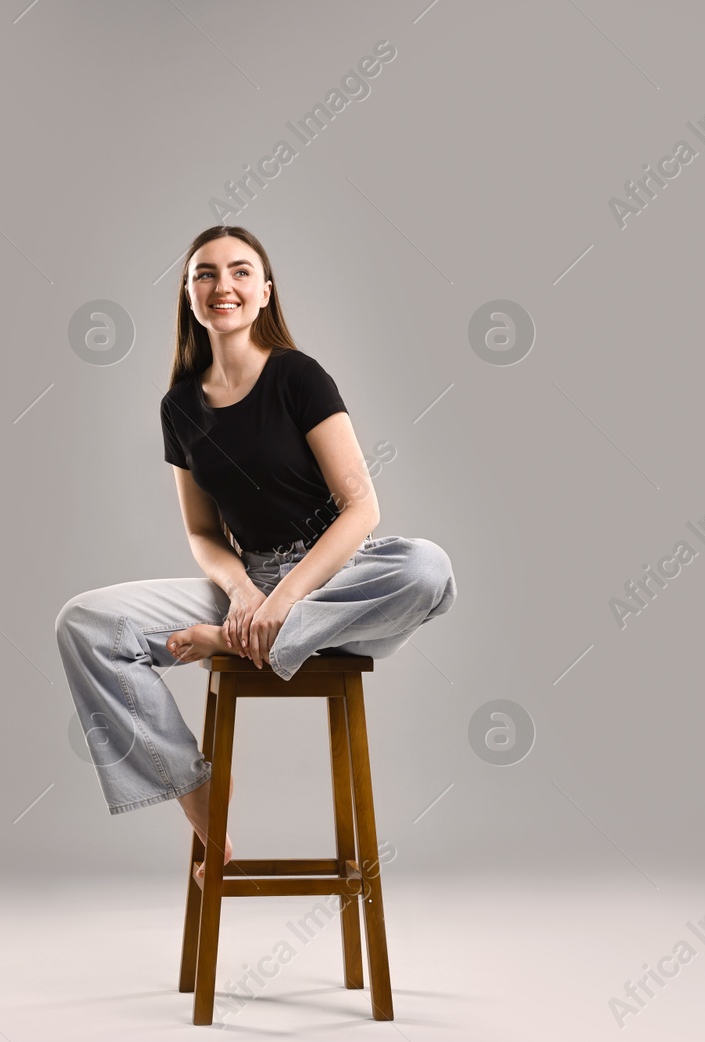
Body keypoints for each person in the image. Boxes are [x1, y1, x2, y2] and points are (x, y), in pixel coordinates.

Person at [54, 224, 456, 873]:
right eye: (205, 273)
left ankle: (245, 637)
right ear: (189, 298)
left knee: (427, 568)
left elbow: (361, 510)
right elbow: (205, 535)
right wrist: (245, 593)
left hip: (335, 576)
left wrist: (282, 601)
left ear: (265, 292)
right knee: (85, 624)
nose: (224, 285)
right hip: (247, 583)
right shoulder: (180, 408)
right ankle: (192, 785)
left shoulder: (299, 377)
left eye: (241, 271)